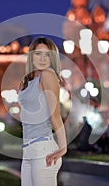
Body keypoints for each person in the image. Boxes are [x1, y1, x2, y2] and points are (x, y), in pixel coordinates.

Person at [18, 37, 67, 186]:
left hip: (43, 150)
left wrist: (63, 147)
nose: (43, 59)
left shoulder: (48, 75)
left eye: (47, 55)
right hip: (28, 150)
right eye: (38, 54)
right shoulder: (28, 81)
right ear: (31, 55)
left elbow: (55, 115)